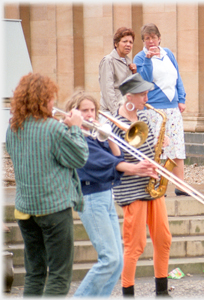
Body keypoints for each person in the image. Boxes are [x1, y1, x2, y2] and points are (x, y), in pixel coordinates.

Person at [64, 90, 157, 297]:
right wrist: (134, 168)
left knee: (117, 262)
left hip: (105, 196)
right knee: (109, 259)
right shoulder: (75, 136)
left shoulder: (93, 133)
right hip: (90, 197)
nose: (90, 114)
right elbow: (98, 161)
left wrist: (111, 137)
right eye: (84, 110)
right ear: (74, 112)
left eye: (92, 110)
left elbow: (116, 155)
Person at [5, 73, 89, 296]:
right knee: (60, 275)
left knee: (34, 273)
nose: (54, 103)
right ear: (43, 100)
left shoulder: (12, 129)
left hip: (25, 210)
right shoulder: (54, 129)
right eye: (51, 98)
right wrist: (75, 128)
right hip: (53, 209)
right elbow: (79, 158)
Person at [111, 73, 172, 297]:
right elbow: (115, 161)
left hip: (152, 185)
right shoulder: (116, 124)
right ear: (129, 96)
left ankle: (162, 291)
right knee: (135, 245)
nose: (147, 97)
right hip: (131, 188)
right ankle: (128, 292)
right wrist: (137, 166)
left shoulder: (144, 117)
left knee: (164, 239)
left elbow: (147, 149)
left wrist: (160, 143)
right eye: (142, 94)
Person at [134, 23, 189, 196]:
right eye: (147, 38)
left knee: (176, 147)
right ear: (143, 41)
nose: (151, 41)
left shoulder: (168, 54)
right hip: (153, 110)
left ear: (159, 38)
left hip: (172, 108)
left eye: (153, 37)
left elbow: (177, 76)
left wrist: (181, 99)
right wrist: (149, 59)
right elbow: (146, 81)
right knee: (155, 149)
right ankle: (156, 184)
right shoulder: (139, 58)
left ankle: (180, 185)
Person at [99, 27, 137, 116]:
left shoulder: (129, 62)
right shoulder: (108, 61)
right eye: (125, 41)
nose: (128, 44)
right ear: (116, 44)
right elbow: (108, 90)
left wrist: (134, 73)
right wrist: (116, 113)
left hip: (125, 111)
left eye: (130, 42)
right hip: (111, 113)